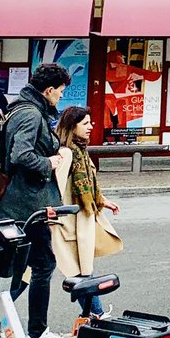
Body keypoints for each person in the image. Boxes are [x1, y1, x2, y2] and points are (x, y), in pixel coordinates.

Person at [0, 62, 71, 338]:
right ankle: (37, 335)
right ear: (48, 90)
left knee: (17, 268)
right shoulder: (29, 113)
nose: (61, 97)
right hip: (27, 206)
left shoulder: (24, 108)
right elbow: (20, 155)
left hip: (19, 204)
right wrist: (48, 163)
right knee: (42, 265)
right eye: (60, 92)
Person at [52, 106, 122, 319]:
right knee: (78, 273)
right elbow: (55, 189)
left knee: (81, 272)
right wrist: (55, 218)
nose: (91, 127)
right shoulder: (66, 153)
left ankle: (96, 314)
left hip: (81, 219)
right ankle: (97, 314)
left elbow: (89, 186)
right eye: (85, 124)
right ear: (72, 127)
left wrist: (102, 201)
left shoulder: (81, 150)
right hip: (67, 223)